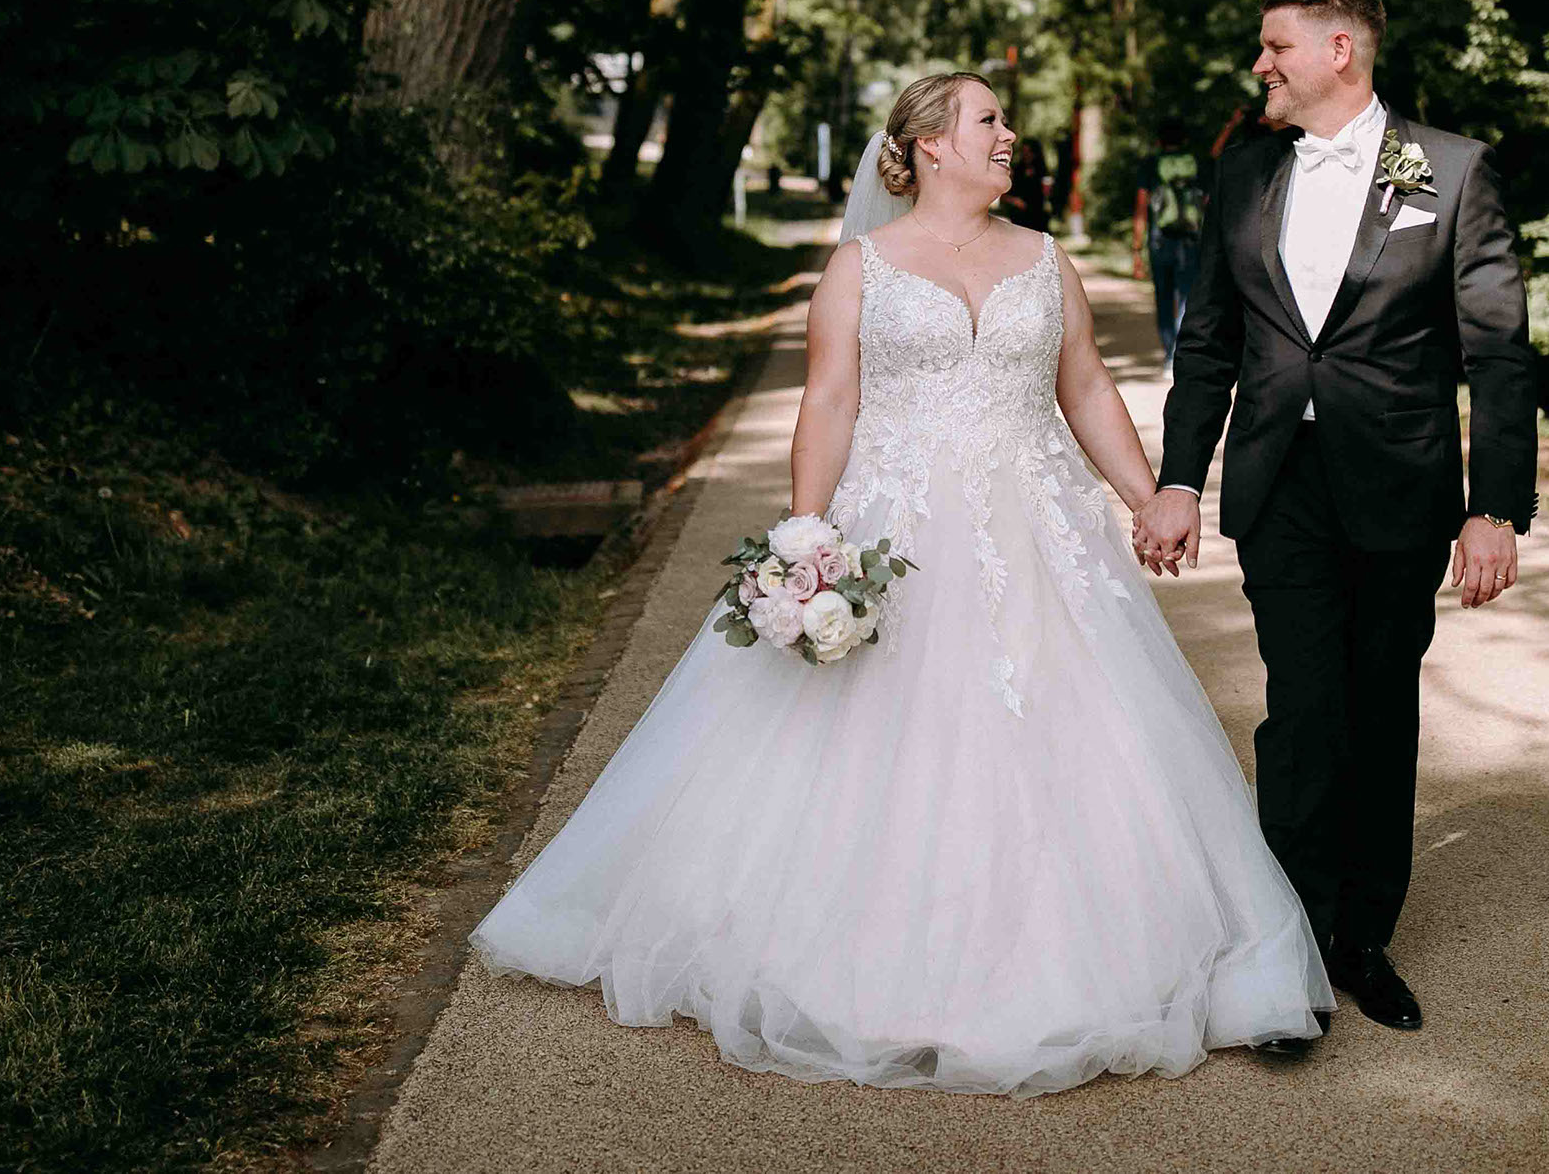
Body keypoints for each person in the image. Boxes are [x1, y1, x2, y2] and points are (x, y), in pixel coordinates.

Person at [467, 71, 1331, 1096]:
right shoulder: (859, 266)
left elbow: (1087, 385)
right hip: (899, 530)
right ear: (929, 143)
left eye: (1005, 118)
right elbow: (829, 399)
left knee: (1074, 728)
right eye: (989, 119)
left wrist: (1147, 494)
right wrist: (803, 530)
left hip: (1038, 532)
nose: (1011, 133)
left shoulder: (1044, 259)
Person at [1132, 0, 1539, 1056]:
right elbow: (1207, 337)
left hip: (1400, 486)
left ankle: (1363, 938)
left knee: (1377, 709)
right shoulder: (1243, 169)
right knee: (1302, 712)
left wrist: (1493, 504)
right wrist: (1179, 476)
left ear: (1339, 50)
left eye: (1274, 46)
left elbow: (1497, 353)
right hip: (1279, 484)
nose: (1258, 65)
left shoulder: (1450, 172)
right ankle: (1288, 953)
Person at [1130, 119, 1209, 368]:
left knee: (1163, 297)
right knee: (1186, 297)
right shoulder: (1195, 164)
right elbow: (1206, 203)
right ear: (1184, 139)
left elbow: (1141, 206)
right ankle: (1182, 353)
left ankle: (1169, 355)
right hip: (1190, 241)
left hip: (1160, 242)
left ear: (1159, 141)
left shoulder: (1151, 165)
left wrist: (1136, 249)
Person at [1002, 136, 1052, 230]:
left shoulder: (1041, 170)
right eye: (1024, 152)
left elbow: (1047, 193)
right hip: (1020, 216)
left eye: (1029, 152)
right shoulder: (1016, 169)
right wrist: (1015, 201)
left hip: (1038, 215)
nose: (1026, 155)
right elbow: (1004, 195)